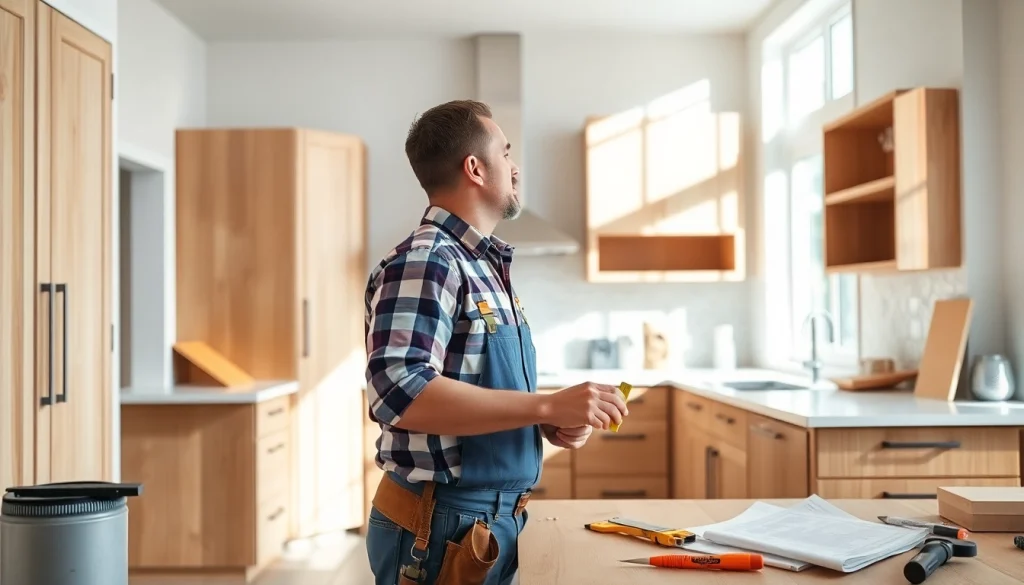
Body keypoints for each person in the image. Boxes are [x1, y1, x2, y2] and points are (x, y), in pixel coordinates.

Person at [363, 99, 630, 585]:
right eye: (506, 153)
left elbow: (474, 388)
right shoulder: (428, 261)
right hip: (440, 524)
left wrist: (546, 423)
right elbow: (397, 388)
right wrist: (544, 408)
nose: (515, 166)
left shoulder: (482, 267)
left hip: (490, 521)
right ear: (475, 168)